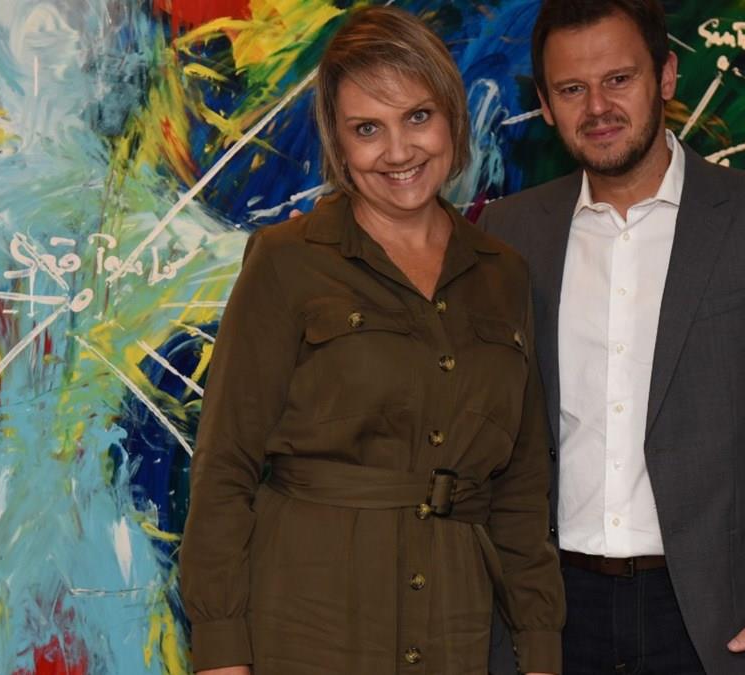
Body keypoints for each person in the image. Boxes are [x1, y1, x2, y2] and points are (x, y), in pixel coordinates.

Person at [481, 1, 745, 674]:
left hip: (725, 622)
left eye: (619, 79)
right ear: (544, 105)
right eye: (572, 89)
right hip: (551, 617)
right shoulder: (508, 234)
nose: (597, 107)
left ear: (665, 75)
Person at [180, 6, 564, 675]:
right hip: (308, 623)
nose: (398, 151)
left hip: (456, 626)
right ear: (338, 142)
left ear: (452, 117)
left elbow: (523, 492)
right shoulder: (286, 261)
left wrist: (539, 651)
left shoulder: (504, 275)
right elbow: (225, 469)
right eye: (367, 129)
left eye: (417, 116)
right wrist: (221, 653)